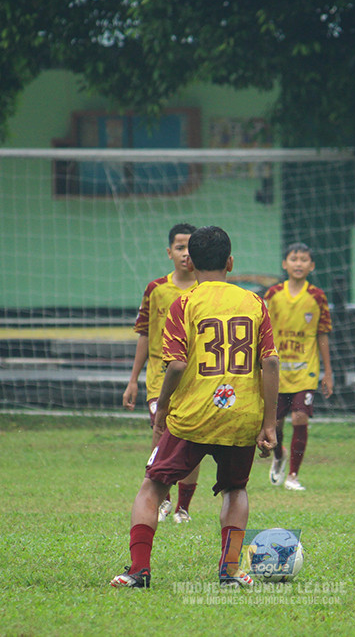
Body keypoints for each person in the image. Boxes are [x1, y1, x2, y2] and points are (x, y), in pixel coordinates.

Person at [111, 226, 279, 590]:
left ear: (193, 262)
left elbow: (176, 365)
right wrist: (269, 422)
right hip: (241, 415)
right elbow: (270, 364)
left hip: (192, 416)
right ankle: (230, 571)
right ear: (230, 262)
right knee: (235, 489)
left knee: (152, 486)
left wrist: (163, 410)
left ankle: (138, 571)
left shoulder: (184, 303)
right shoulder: (254, 303)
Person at [122, 223, 202, 523]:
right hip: (160, 379)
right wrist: (133, 380)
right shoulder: (156, 289)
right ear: (169, 253)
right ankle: (163, 499)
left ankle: (183, 507)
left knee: (190, 440)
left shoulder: (205, 290)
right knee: (164, 434)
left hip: (195, 380)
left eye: (191, 247)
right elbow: (144, 333)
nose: (186, 253)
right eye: (180, 247)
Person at [263, 242, 333, 491]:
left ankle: (293, 476)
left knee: (300, 417)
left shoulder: (317, 296)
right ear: (285, 264)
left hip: (307, 370)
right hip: (277, 372)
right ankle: (279, 456)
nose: (299, 263)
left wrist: (328, 372)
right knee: (276, 423)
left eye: (304, 259)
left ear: (311, 266)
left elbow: (322, 334)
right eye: (294, 259)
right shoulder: (272, 295)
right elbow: (262, 331)